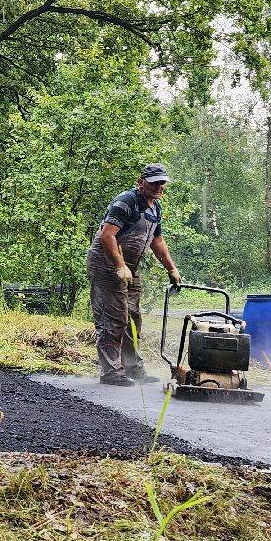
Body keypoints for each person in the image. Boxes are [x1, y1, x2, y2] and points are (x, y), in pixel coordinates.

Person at [86, 162, 181, 386]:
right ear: (141, 182)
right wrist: (119, 265)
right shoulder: (126, 201)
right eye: (154, 182)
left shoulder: (155, 208)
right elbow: (107, 235)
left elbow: (157, 241)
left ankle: (133, 368)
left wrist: (171, 267)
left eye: (162, 183)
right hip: (106, 264)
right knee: (115, 318)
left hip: (130, 267)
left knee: (133, 319)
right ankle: (111, 372)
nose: (159, 187)